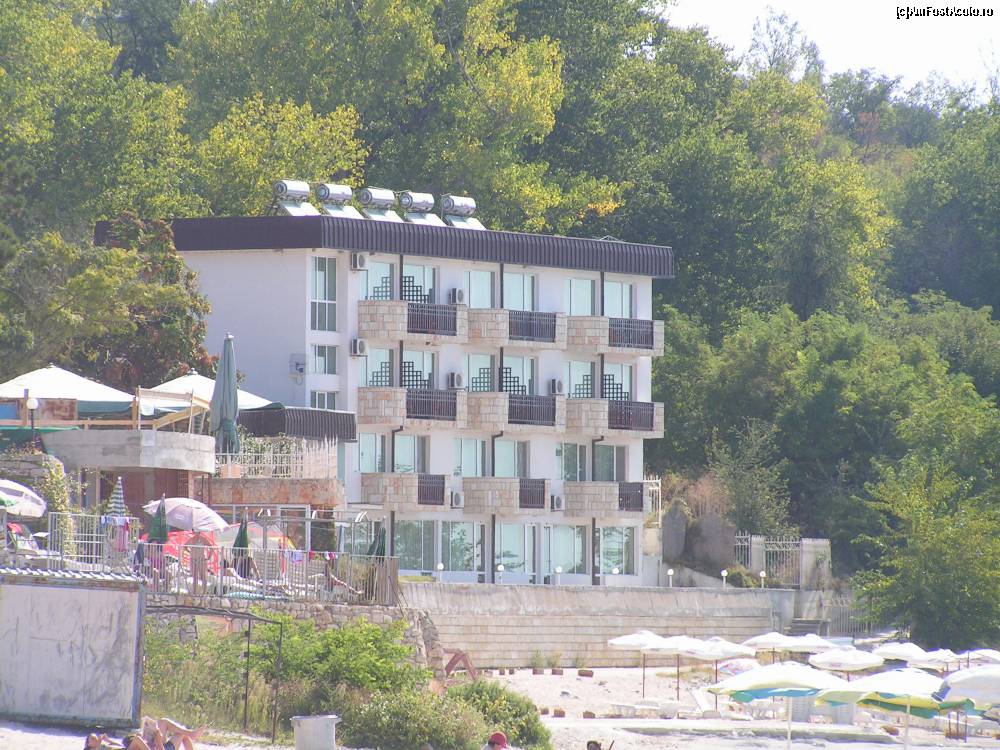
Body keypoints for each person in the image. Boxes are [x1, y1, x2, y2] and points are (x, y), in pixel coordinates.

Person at [183, 530, 215, 595]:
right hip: (193, 559)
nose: (196, 532)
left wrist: (209, 556)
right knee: (194, 577)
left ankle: (204, 593)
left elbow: (211, 547)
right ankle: (195, 592)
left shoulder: (203, 539)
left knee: (202, 576)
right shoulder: (191, 539)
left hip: (201, 559)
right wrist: (190, 552)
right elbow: (185, 546)